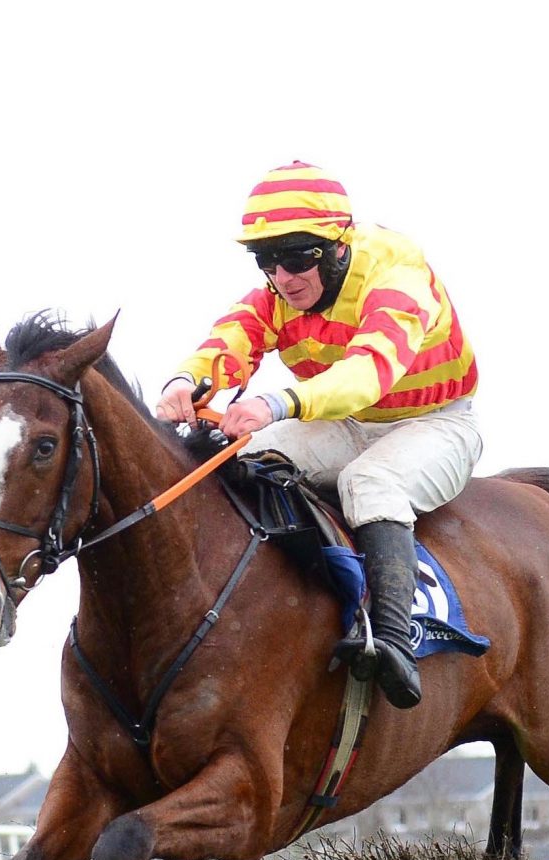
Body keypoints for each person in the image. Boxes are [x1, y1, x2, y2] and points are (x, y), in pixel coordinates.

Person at [154, 163, 481, 709]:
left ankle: (396, 641)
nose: (283, 276)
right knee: (246, 454)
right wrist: (187, 383)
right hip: (344, 421)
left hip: (435, 423)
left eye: (299, 256)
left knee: (369, 481)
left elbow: (369, 371)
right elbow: (235, 335)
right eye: (268, 261)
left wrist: (275, 402)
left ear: (339, 245)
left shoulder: (396, 274)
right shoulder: (278, 292)